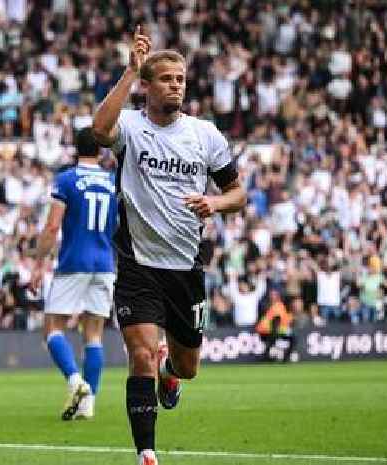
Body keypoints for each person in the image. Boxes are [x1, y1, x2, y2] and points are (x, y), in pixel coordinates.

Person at [92, 26, 247, 465]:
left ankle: (170, 375)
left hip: (185, 267)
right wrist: (129, 70)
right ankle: (147, 452)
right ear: (148, 85)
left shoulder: (205, 135)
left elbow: (239, 194)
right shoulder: (132, 127)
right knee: (139, 355)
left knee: (188, 366)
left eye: (180, 79)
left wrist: (215, 202)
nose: (176, 85)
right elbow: (99, 130)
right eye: (166, 79)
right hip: (137, 263)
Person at [29, 127, 117, 421]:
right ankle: (88, 404)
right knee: (93, 335)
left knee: (52, 328)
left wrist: (39, 264)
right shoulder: (110, 182)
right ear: (101, 150)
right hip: (105, 263)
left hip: (74, 262)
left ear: (75, 149)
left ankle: (74, 381)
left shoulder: (67, 180)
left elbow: (53, 227)